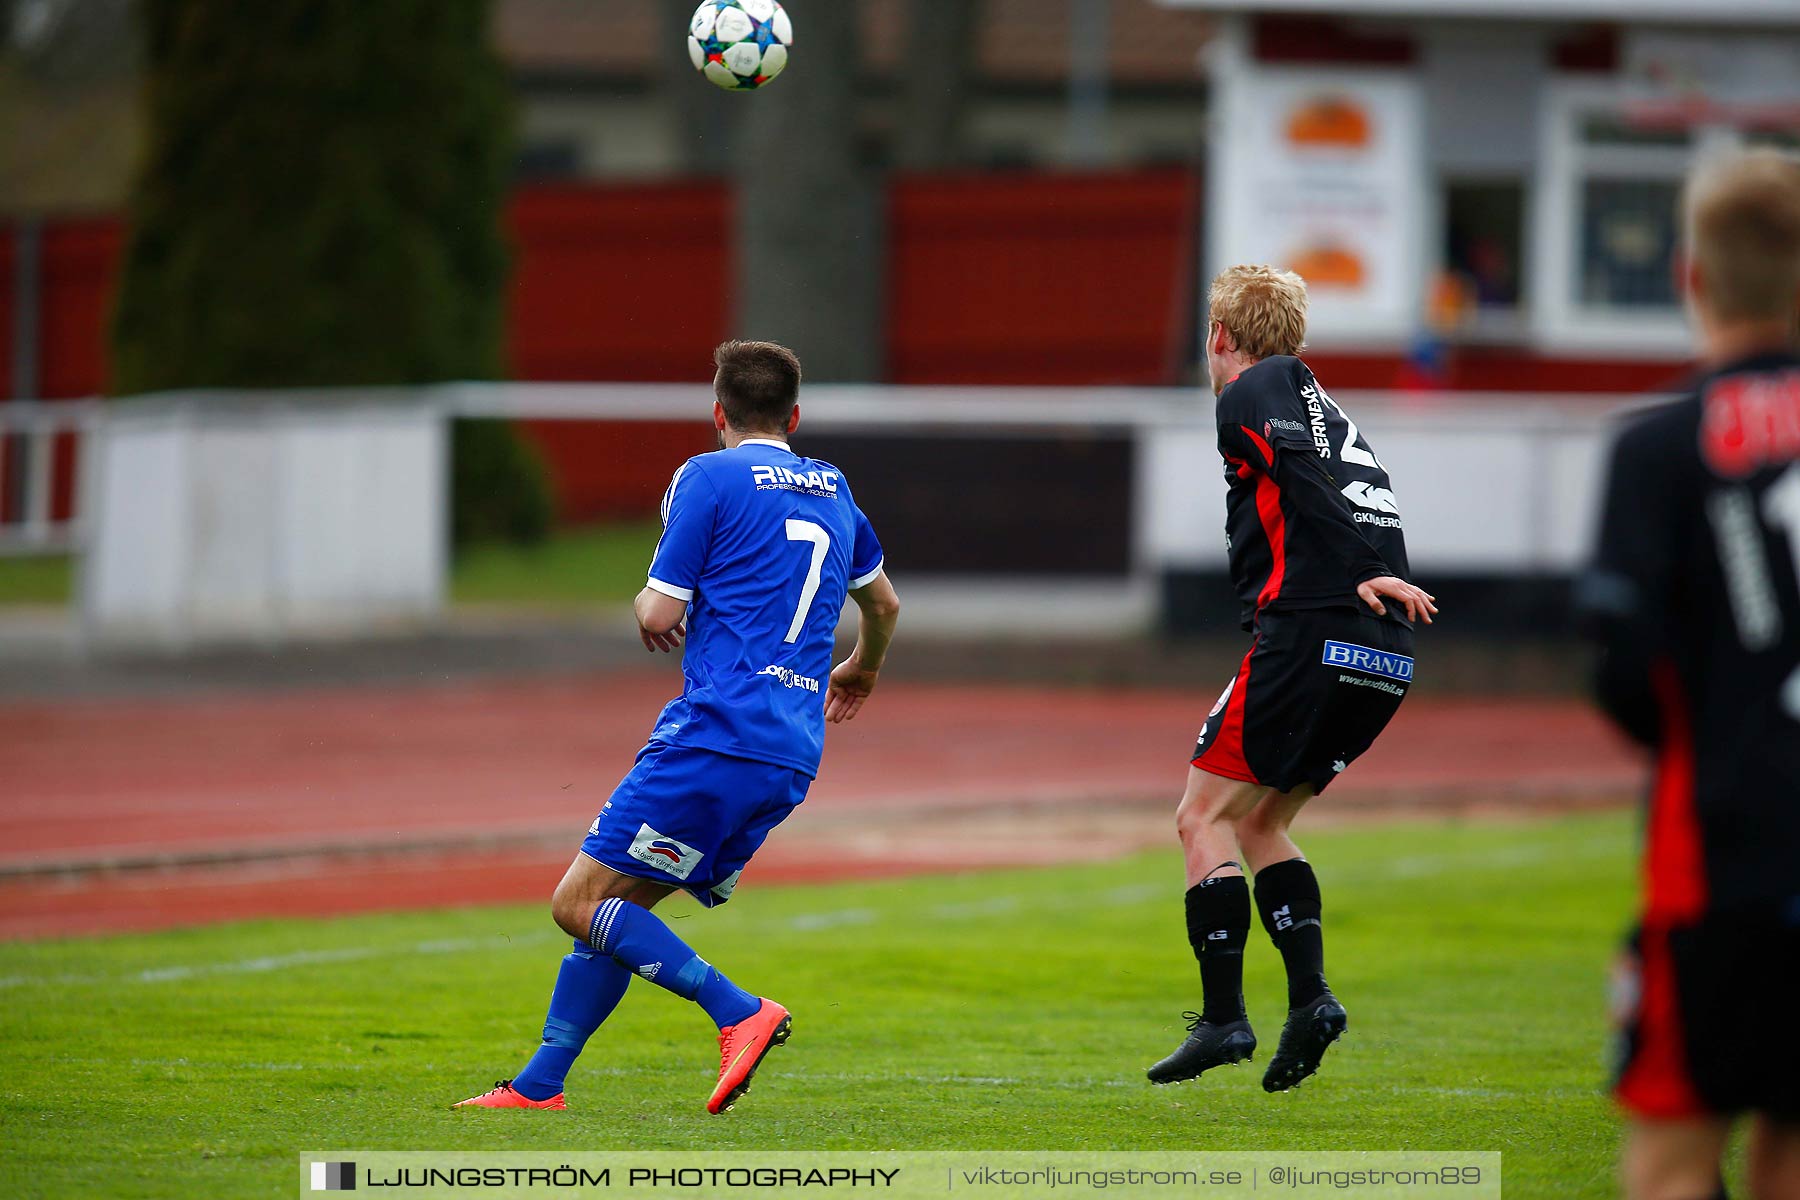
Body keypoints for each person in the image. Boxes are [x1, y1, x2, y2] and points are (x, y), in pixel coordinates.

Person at [455, 340, 900, 1115]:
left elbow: (661, 611)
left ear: (717, 412)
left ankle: (739, 1011)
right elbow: (885, 606)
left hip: (714, 737)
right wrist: (861, 668)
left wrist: (643, 606)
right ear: (793, 416)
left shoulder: (706, 475)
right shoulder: (835, 488)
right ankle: (540, 1085)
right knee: (617, 910)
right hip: (791, 753)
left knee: (577, 902)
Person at [1147, 265, 1436, 1092]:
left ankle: (1223, 1019)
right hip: (1383, 655)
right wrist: (1372, 574)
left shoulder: (1253, 390)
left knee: (1199, 816)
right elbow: (1318, 474)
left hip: (1312, 631)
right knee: (1264, 821)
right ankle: (1310, 1000)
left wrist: (1357, 569)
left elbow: (1298, 472)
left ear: (1218, 336)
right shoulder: (1318, 396)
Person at [1578, 150, 1800, 1200]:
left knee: (1671, 1156)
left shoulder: (1657, 448)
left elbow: (1623, 671)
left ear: (1690, 278)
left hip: (1716, 851)